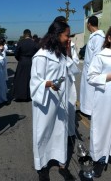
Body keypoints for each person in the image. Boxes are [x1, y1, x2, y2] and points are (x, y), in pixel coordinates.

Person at [30, 21, 76, 181]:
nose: (68, 38)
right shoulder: (41, 56)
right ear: (56, 35)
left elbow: (72, 71)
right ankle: (42, 166)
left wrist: (69, 52)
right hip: (46, 101)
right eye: (66, 35)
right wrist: (48, 83)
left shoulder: (60, 53)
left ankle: (62, 163)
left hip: (60, 100)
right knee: (44, 131)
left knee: (60, 130)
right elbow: (35, 81)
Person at [87, 24, 111, 178]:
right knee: (102, 130)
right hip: (105, 100)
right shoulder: (101, 56)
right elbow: (91, 77)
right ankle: (99, 159)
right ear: (109, 38)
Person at [53, 16, 80, 144]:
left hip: (68, 81)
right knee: (56, 110)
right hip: (55, 83)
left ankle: (69, 134)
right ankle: (56, 136)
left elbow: (74, 65)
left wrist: (68, 52)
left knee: (69, 109)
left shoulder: (71, 45)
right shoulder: (50, 46)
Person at [80, 15, 105, 116]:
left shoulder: (99, 37)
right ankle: (85, 109)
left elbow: (97, 55)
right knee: (86, 90)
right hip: (87, 67)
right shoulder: (94, 35)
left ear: (89, 24)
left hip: (92, 69)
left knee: (91, 90)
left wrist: (92, 69)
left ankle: (90, 111)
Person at [13, 29, 38, 101]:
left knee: (20, 79)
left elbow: (16, 54)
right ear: (30, 34)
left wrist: (20, 59)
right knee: (31, 78)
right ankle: (29, 95)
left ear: (24, 34)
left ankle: (20, 95)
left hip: (22, 61)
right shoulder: (34, 43)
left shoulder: (20, 42)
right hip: (31, 62)